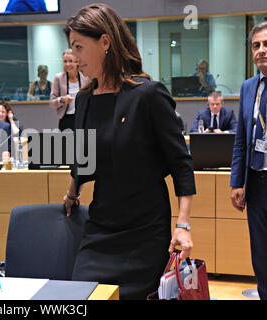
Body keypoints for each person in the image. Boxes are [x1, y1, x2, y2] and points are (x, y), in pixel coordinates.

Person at [62, 3, 196, 300]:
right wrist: (73, 192)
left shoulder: (147, 94)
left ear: (105, 42)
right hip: (100, 227)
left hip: (145, 230)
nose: (74, 57)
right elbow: (84, 160)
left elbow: (181, 164)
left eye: (79, 47)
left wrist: (183, 225)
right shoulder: (83, 101)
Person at [230, 22, 267, 300]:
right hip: (255, 182)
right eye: (256, 46)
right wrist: (236, 183)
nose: (261, 51)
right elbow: (241, 140)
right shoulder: (248, 88)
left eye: (266, 45)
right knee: (261, 254)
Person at [49, 48, 89, 131]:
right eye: (65, 61)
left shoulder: (86, 78)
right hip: (66, 120)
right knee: (67, 144)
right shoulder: (58, 78)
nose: (67, 64)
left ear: (77, 62)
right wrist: (63, 100)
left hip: (83, 119)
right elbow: (52, 103)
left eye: (70, 61)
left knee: (82, 144)